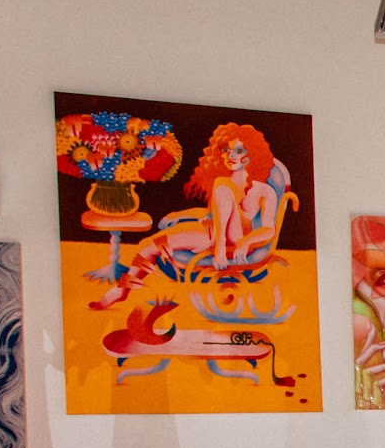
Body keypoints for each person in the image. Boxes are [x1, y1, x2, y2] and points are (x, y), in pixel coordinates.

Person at [93, 124, 281, 309]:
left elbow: (269, 229)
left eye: (239, 151)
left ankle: (220, 247)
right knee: (149, 245)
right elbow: (213, 213)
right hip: (211, 233)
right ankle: (121, 290)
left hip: (233, 240)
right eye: (226, 150)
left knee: (222, 187)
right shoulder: (222, 182)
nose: (230, 156)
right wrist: (180, 215)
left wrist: (246, 242)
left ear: (253, 153)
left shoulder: (263, 190)